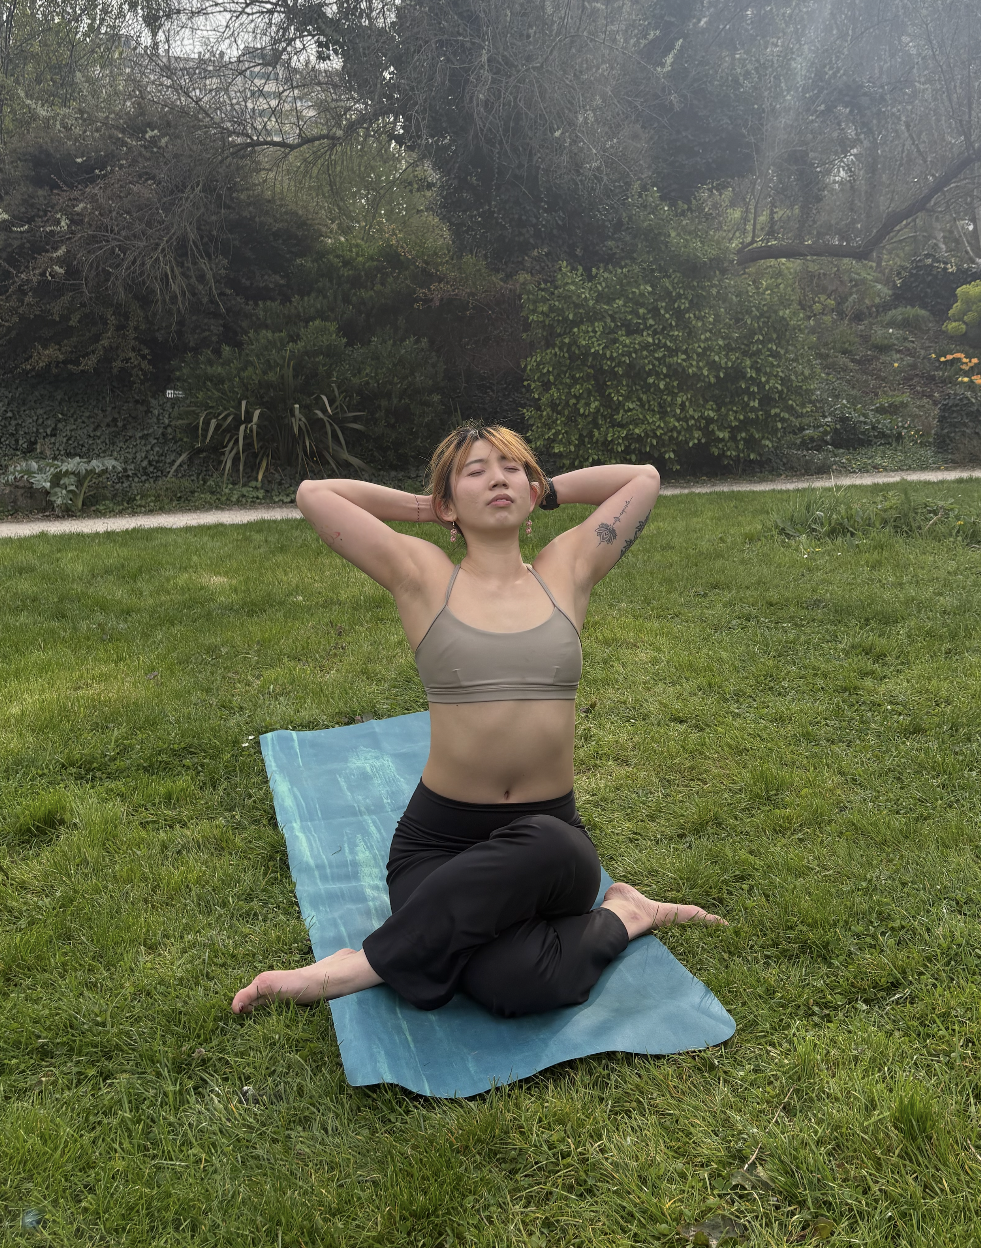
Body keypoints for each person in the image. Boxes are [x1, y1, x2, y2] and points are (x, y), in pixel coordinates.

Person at [233, 424, 725, 1018]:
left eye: (512, 468)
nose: (498, 478)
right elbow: (315, 494)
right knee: (517, 983)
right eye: (476, 471)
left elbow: (642, 480)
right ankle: (626, 914)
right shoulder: (424, 575)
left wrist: (545, 490)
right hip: (438, 846)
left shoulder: (565, 569)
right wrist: (432, 508)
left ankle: (362, 965)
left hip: (551, 848)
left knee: (548, 842)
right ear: (449, 502)